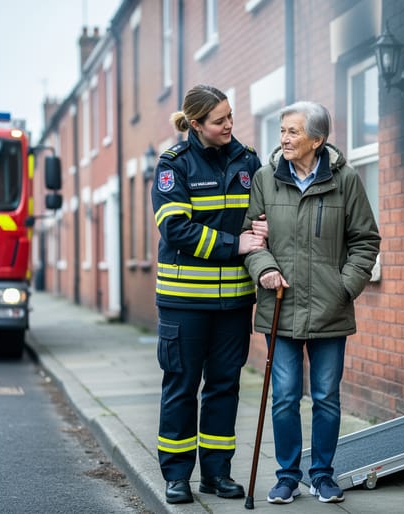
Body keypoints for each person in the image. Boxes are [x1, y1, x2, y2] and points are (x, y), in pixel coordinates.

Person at [242, 101, 380, 504]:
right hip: (280, 307)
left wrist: (345, 286)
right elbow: (252, 239)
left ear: (317, 140)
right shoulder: (265, 179)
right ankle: (287, 475)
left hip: (329, 308)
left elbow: (366, 240)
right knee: (284, 395)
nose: (284, 138)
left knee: (326, 397)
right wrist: (264, 268)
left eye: (293, 132)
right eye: (282, 130)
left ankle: (321, 475)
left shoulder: (346, 181)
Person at [150, 84, 266, 505]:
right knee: (181, 386)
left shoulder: (248, 160)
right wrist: (235, 244)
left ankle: (217, 474)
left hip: (234, 302)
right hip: (184, 305)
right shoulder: (173, 166)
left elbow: (261, 214)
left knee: (224, 387)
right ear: (196, 124)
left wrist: (264, 228)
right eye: (220, 120)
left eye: (231, 116)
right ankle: (177, 475)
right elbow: (175, 229)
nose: (229, 125)